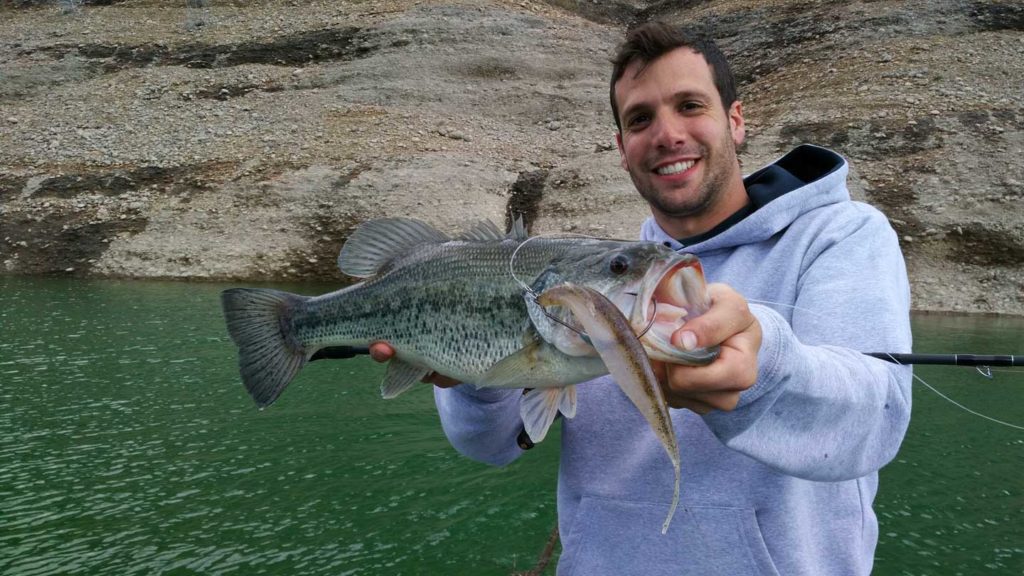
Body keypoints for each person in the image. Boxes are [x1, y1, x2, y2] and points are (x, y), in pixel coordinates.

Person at [371, 21, 912, 575]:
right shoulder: (593, 275)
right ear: (622, 149)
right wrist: (470, 380)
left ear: (736, 120)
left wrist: (763, 365)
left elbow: (875, 420)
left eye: (690, 105)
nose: (667, 134)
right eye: (640, 119)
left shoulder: (839, 236)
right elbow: (492, 445)